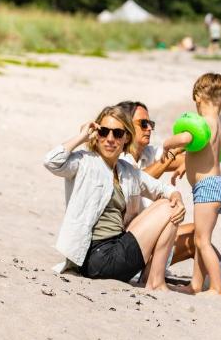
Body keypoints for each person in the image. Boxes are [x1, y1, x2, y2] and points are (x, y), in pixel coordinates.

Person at [117, 100, 221, 298]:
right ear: (127, 125)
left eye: (151, 124)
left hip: (155, 240)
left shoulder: (149, 153)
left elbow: (191, 156)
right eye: (143, 124)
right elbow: (140, 180)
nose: (149, 129)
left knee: (199, 233)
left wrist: (206, 143)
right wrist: (170, 157)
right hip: (132, 245)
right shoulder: (120, 160)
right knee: (198, 236)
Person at [44, 106, 185, 290]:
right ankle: (155, 282)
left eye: (117, 133)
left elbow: (162, 188)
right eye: (103, 132)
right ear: (96, 134)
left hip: (116, 246)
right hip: (97, 257)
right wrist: (82, 137)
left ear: (126, 137)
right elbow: (51, 161)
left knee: (171, 203)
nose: (110, 139)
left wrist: (178, 196)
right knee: (170, 208)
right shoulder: (84, 162)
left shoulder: (127, 171)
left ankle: (153, 278)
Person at [163, 73, 221, 295]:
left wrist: (167, 144)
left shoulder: (202, 123)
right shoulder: (218, 125)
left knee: (202, 240)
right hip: (217, 184)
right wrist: (186, 165)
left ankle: (217, 289)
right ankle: (196, 285)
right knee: (202, 239)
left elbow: (184, 139)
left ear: (198, 98)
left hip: (208, 188)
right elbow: (210, 155)